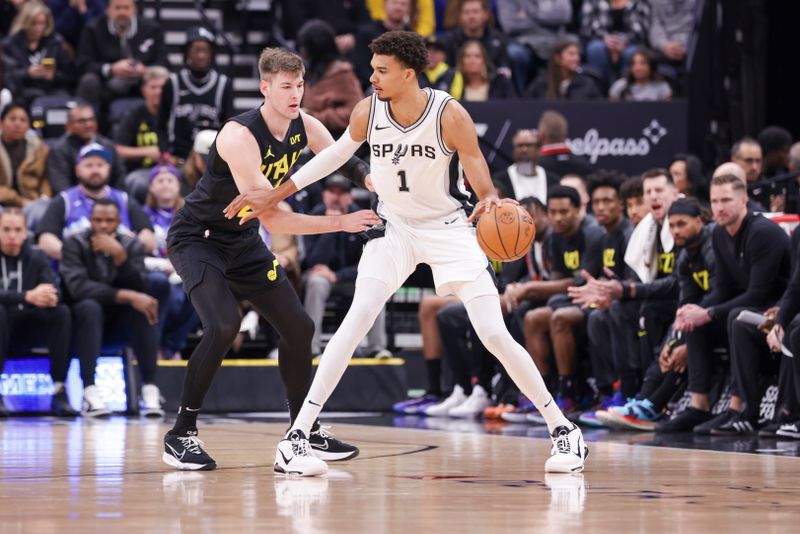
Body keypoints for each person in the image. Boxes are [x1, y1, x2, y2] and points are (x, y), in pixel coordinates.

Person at [226, 31, 588, 476]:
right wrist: (273, 195)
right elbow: (334, 157)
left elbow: (478, 170)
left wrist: (491, 198)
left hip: (448, 228)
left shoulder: (448, 114)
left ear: (408, 73)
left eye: (381, 70)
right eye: (372, 68)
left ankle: (564, 431)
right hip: (394, 228)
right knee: (356, 320)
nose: (371, 76)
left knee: (493, 333)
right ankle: (296, 438)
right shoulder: (367, 109)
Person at [160, 47, 380, 471]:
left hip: (241, 239)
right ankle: (180, 434)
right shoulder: (238, 136)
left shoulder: (305, 123)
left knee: (299, 327)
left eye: (300, 85)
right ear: (265, 88)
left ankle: (303, 429)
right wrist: (341, 222)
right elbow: (275, 220)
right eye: (286, 86)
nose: (296, 94)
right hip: (199, 239)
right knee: (223, 325)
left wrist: (375, 181)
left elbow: (342, 160)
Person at [659, 173, 791, 433]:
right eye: (715, 201)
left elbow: (758, 294)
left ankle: (743, 409)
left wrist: (708, 312)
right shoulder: (719, 234)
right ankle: (699, 405)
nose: (719, 207)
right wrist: (694, 313)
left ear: (743, 200)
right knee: (698, 321)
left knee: (735, 317)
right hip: (748, 309)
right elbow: (722, 289)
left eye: (727, 200)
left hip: (776, 311)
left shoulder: (762, 233)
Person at [60, 198, 163, 417]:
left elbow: (141, 286)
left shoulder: (132, 245)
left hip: (119, 326)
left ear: (119, 221)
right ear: (90, 220)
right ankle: (89, 391)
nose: (104, 226)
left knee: (143, 306)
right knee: (90, 306)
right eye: (98, 220)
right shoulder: (74, 243)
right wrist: (126, 295)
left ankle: (149, 388)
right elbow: (78, 288)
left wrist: (120, 256)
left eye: (109, 220)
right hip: (82, 325)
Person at [0, 207, 74, 417]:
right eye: (6, 229)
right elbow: (27, 296)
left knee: (61, 311)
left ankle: (59, 388)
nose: (12, 235)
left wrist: (49, 296)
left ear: (26, 233)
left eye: (17, 230)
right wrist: (27, 296)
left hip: (28, 325)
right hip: (3, 325)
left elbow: (55, 290)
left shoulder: (37, 257)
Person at [75, 0, 168, 114]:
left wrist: (145, 70)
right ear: (108, 10)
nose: (122, 12)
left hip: (142, 82)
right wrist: (111, 69)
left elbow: (163, 62)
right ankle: (90, 123)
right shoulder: (93, 29)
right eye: (117, 8)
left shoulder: (153, 29)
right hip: (106, 84)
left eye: (126, 8)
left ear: (135, 9)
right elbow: (83, 64)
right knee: (89, 81)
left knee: (159, 82)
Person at [157, 26, 233, 162]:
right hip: (177, 158)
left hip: (210, 159)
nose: (201, 55)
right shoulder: (173, 83)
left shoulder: (223, 84)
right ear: (186, 53)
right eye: (195, 49)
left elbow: (230, 126)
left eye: (205, 50)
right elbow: (160, 125)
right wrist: (165, 154)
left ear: (212, 54)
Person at [296, 20, 365, 139]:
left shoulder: (342, 74)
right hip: (313, 139)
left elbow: (356, 112)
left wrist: (315, 117)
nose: (303, 53)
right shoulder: (310, 72)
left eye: (305, 48)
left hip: (337, 142)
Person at [0, 0, 76, 106]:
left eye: (42, 23)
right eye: (34, 24)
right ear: (25, 23)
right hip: (23, 92)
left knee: (63, 99)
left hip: (52, 89)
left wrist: (54, 75)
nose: (38, 28)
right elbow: (6, 76)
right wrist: (27, 73)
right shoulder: (10, 45)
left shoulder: (55, 43)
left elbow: (70, 73)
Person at [0, 102, 51, 209]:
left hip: (32, 203)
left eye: (23, 120)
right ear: (1, 123)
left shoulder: (39, 148)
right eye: (13, 119)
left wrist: (44, 198)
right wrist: (18, 200)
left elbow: (45, 179)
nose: (18, 124)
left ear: (28, 126)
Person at [524, 38, 601, 100]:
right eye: (571, 54)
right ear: (557, 58)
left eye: (578, 54)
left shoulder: (586, 83)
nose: (577, 58)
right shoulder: (541, 83)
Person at [492, 128, 554, 202]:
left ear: (539, 149)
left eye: (529, 145)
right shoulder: (499, 180)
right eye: (520, 145)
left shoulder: (552, 180)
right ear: (513, 150)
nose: (524, 149)